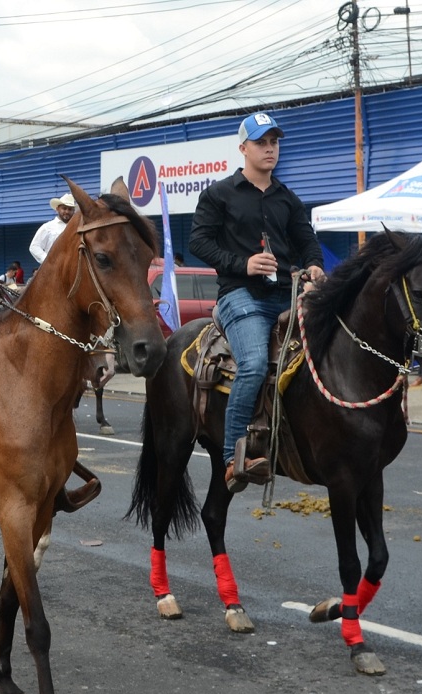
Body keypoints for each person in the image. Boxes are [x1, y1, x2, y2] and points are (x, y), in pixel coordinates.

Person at [189, 112, 325, 493]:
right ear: (243, 148)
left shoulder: (286, 197)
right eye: (262, 143)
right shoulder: (219, 194)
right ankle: (234, 458)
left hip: (287, 294)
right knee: (250, 365)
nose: (270, 149)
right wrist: (243, 264)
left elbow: (306, 241)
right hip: (240, 296)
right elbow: (198, 243)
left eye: (275, 142)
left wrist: (314, 266)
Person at [29, 192, 76, 264]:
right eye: (64, 208)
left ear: (73, 211)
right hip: (53, 271)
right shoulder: (47, 227)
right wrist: (48, 260)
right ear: (57, 209)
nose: (67, 211)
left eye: (70, 209)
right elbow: (34, 246)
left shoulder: (77, 227)